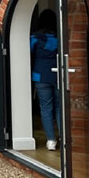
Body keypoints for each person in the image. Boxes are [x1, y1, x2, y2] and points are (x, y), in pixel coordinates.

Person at [30, 9, 60, 151]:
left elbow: (29, 54)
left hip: (40, 75)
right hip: (59, 74)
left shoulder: (35, 38)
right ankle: (64, 138)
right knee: (60, 108)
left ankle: (51, 140)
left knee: (45, 108)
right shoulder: (60, 36)